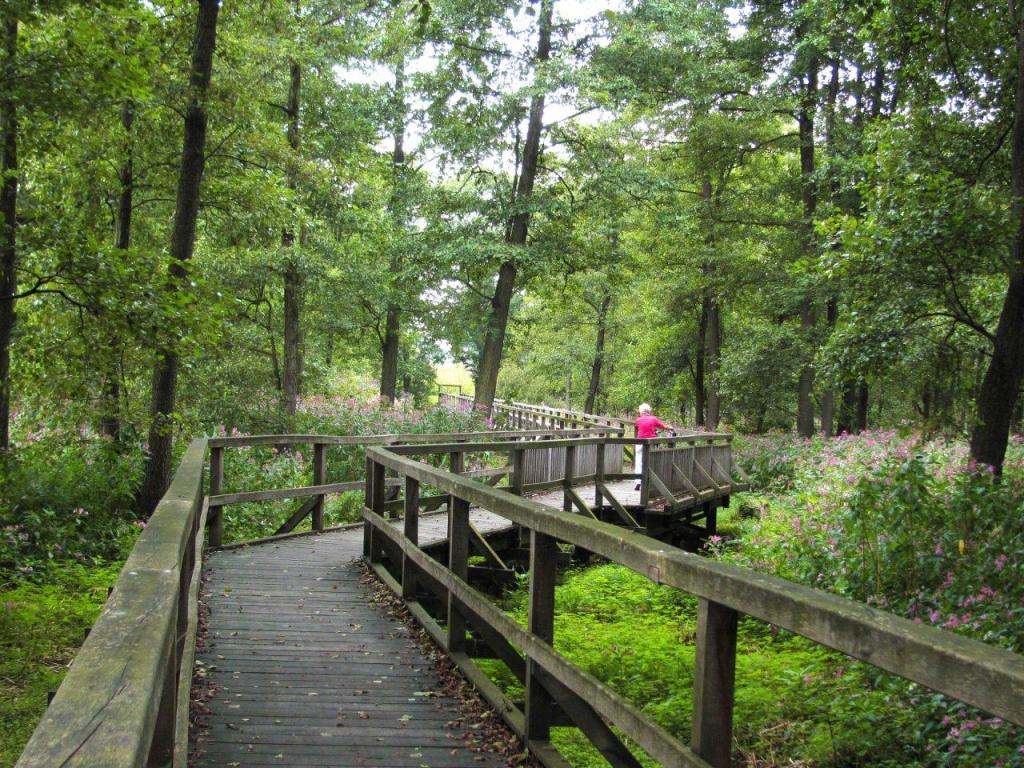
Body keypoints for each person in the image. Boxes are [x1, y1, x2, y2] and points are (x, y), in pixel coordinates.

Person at [634, 403, 671, 491]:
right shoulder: (653, 419)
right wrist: (669, 427)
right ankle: (649, 482)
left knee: (639, 462)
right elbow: (662, 426)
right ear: (649, 411)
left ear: (641, 412)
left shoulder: (638, 420)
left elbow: (637, 429)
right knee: (650, 461)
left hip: (639, 442)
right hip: (650, 443)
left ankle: (638, 481)